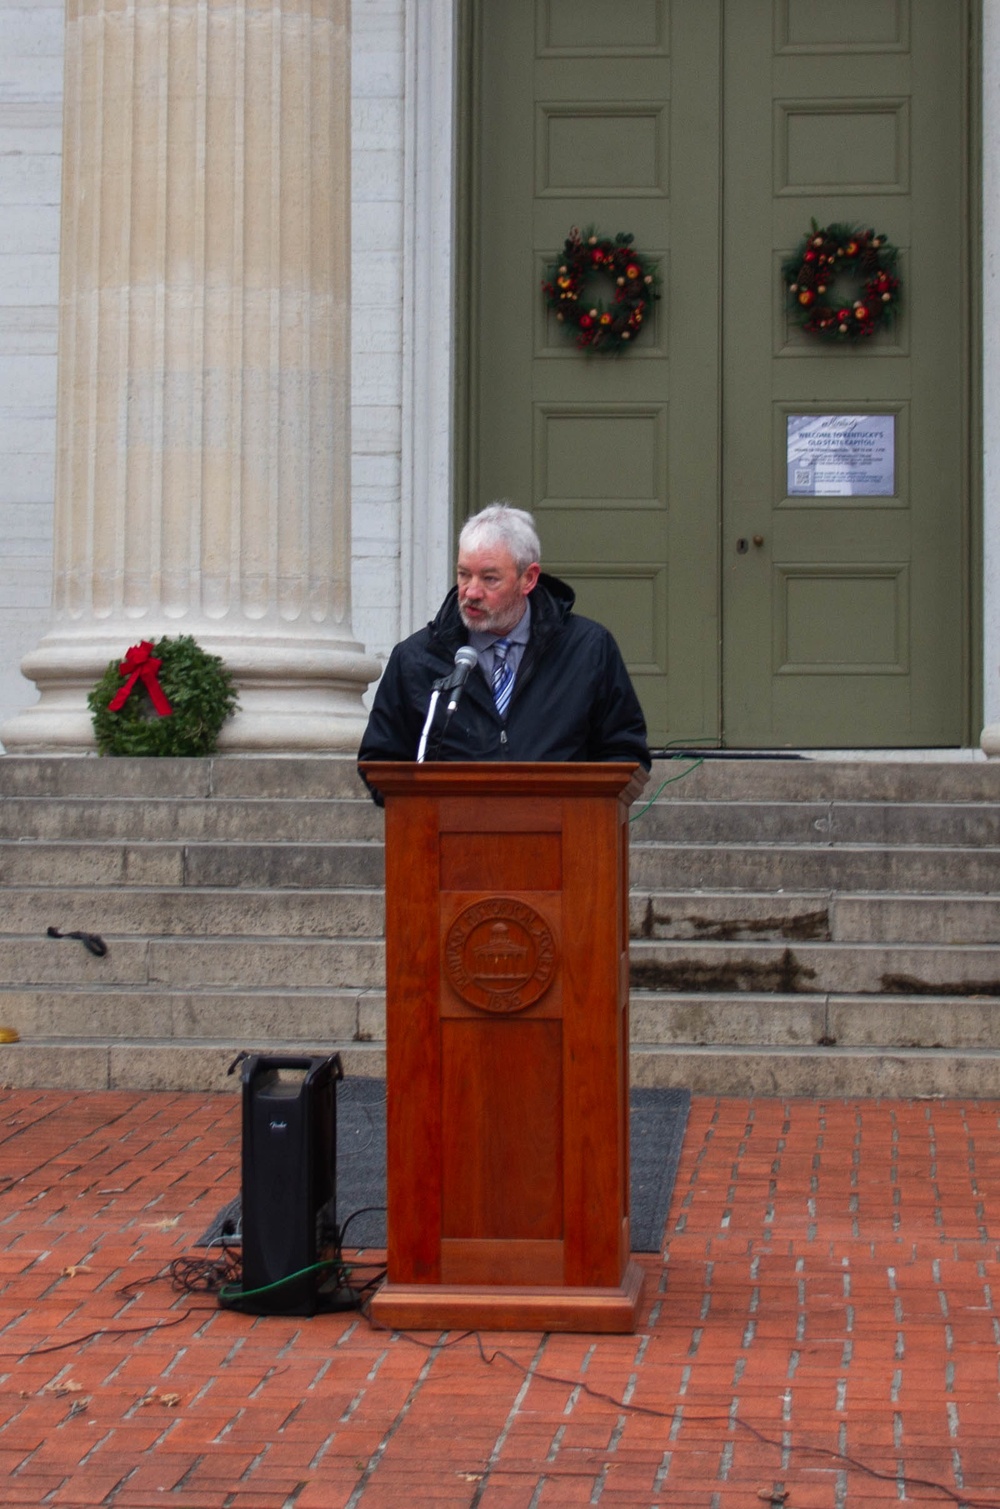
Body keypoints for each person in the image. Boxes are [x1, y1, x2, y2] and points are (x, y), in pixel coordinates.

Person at [357, 502, 650, 792]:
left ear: (529, 579)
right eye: (463, 574)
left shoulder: (588, 650)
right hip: (448, 832)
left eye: (489, 578)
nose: (471, 592)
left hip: (561, 831)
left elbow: (624, 752)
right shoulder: (417, 659)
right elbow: (381, 762)